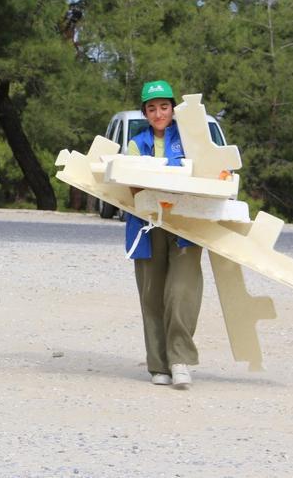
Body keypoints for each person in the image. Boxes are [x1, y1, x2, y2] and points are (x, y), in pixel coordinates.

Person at [124, 79, 204, 389]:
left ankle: (180, 360)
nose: (159, 113)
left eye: (164, 107)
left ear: (173, 109)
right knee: (152, 295)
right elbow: (129, 183)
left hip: (186, 223)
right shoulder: (136, 144)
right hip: (147, 223)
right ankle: (159, 364)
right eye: (152, 108)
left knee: (181, 292)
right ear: (145, 112)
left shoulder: (190, 139)